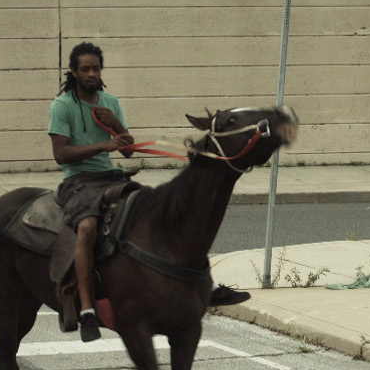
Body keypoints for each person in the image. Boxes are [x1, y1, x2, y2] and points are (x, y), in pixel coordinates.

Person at [49, 42, 250, 342]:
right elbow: (61, 154)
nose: (91, 74)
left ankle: (203, 286)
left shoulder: (110, 102)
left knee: (163, 213)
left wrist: (116, 126)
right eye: (85, 69)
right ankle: (88, 310)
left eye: (96, 68)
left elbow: (128, 150)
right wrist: (104, 145)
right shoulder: (62, 106)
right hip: (78, 182)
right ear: (74, 72)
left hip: (110, 176)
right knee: (88, 228)